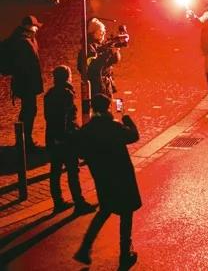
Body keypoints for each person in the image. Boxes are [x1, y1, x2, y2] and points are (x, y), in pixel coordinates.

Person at [73, 94, 141, 269]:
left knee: (104, 210)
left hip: (103, 178)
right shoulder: (114, 127)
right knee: (126, 213)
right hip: (121, 176)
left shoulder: (87, 131)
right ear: (108, 108)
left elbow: (80, 152)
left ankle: (85, 247)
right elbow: (134, 135)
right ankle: (125, 253)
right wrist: (125, 117)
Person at [44, 65, 96, 214]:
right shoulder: (67, 94)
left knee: (55, 171)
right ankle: (79, 203)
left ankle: (58, 202)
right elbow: (65, 118)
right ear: (67, 78)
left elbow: (49, 117)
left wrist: (55, 137)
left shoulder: (49, 94)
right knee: (73, 171)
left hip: (52, 137)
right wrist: (65, 136)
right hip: (66, 139)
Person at [8, 15, 44, 148]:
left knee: (29, 110)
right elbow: (24, 67)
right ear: (29, 27)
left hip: (27, 84)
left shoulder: (28, 40)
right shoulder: (23, 43)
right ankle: (24, 141)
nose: (37, 29)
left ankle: (24, 140)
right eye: (35, 27)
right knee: (29, 111)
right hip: (26, 85)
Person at [78, 18, 123, 100]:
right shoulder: (88, 48)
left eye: (104, 31)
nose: (103, 33)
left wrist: (115, 49)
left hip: (105, 84)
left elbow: (114, 61)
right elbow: (94, 66)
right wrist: (109, 52)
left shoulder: (101, 45)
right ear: (93, 32)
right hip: (97, 87)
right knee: (100, 106)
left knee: (109, 105)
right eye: (101, 31)